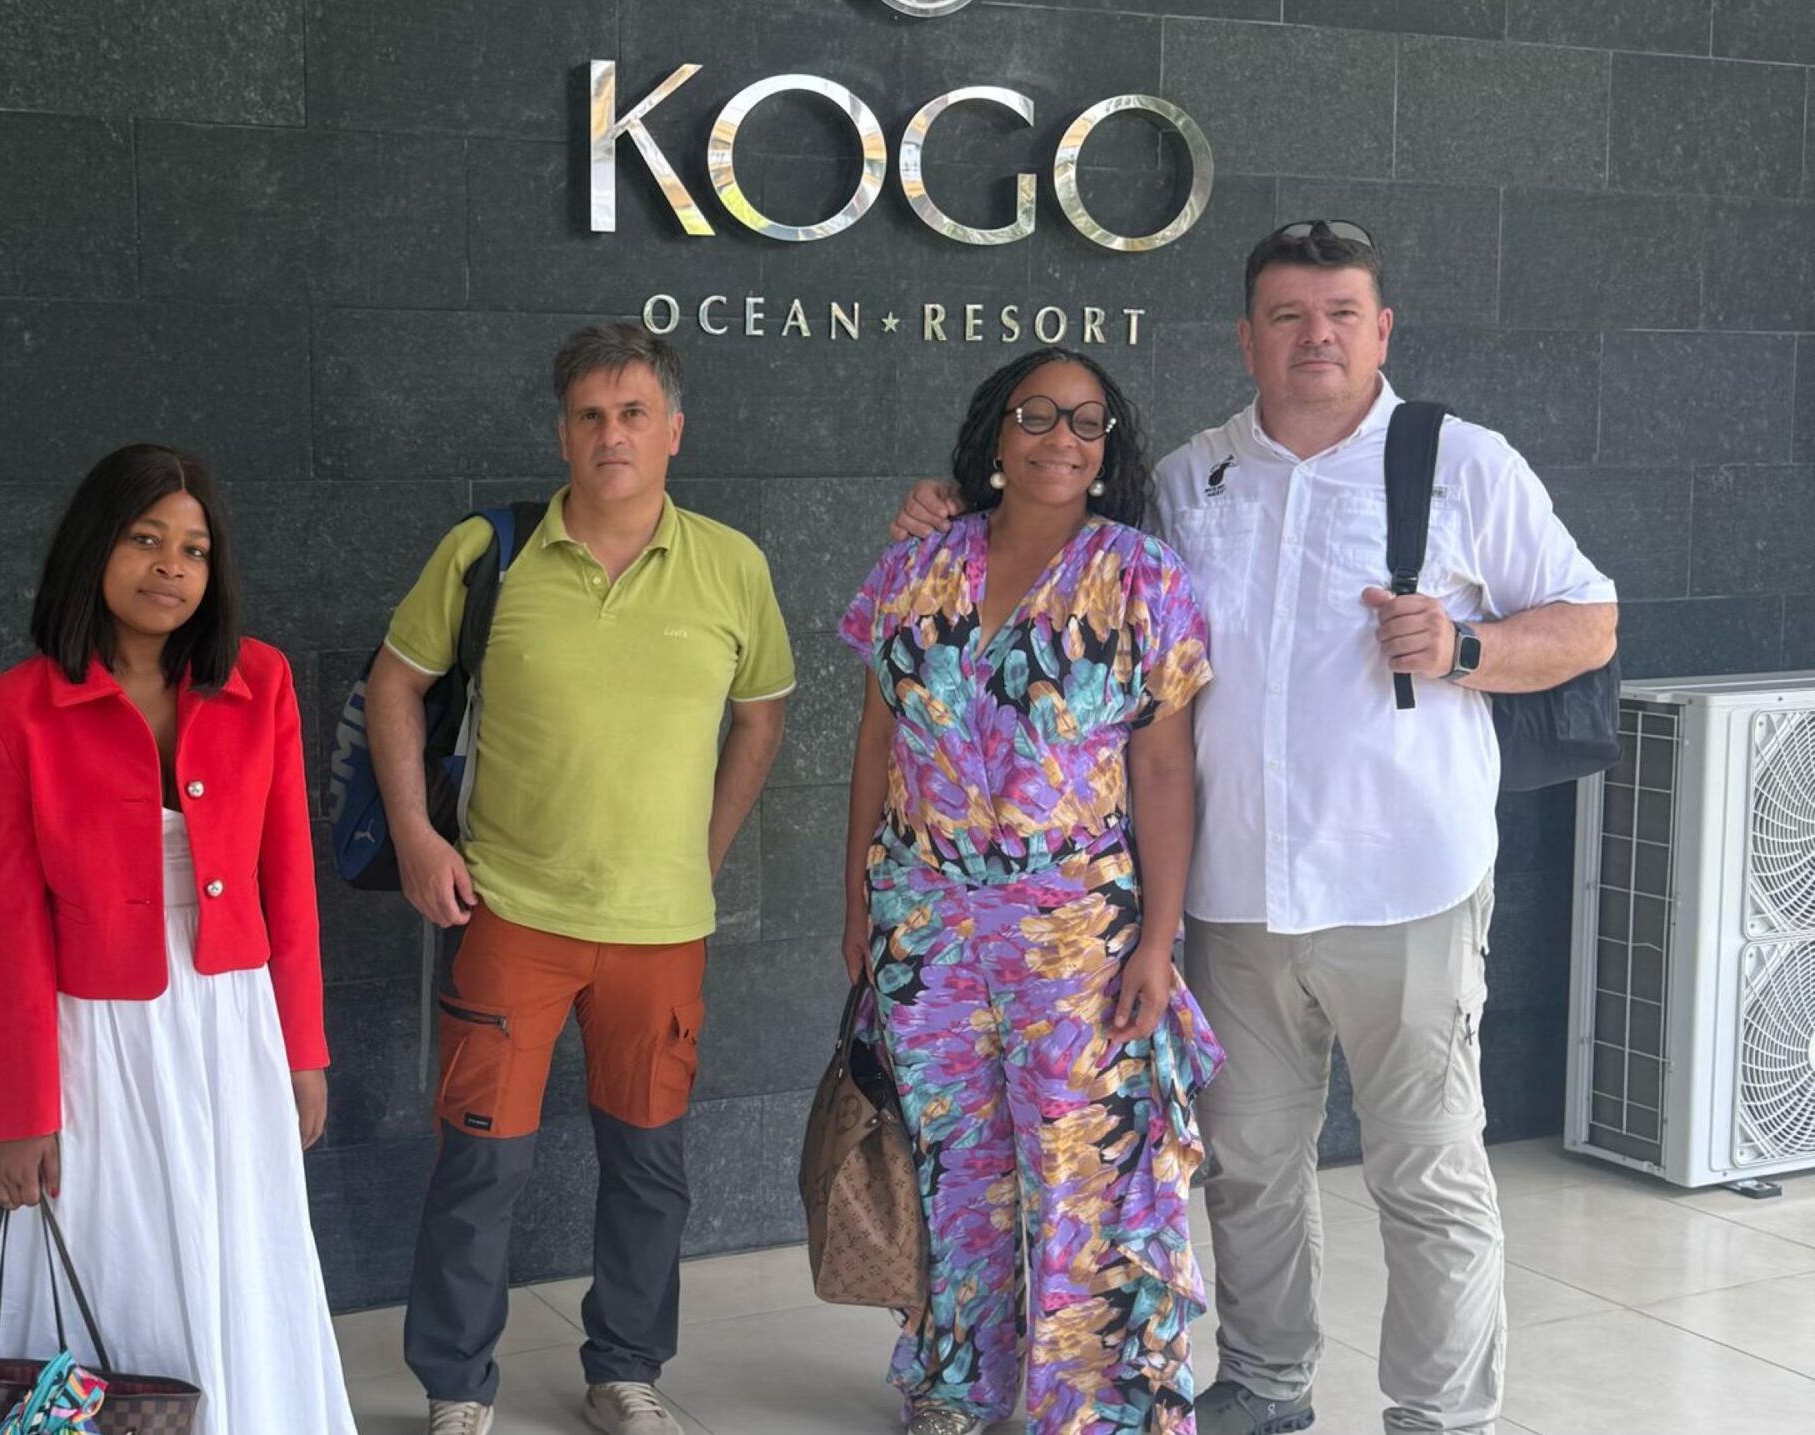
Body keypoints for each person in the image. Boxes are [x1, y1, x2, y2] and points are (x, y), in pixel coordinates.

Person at [893, 222, 1619, 1435]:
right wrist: (952, 512)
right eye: (1287, 315)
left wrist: (1466, 647)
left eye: (1339, 313)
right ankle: (1269, 1383)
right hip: (1232, 896)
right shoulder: (1191, 479)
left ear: (1380, 330)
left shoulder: (1461, 462)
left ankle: (1440, 1416)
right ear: (1246, 337)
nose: (1314, 336)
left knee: (1426, 1172)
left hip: (1406, 886)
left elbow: (1589, 619)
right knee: (1246, 1167)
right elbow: (1065, 550)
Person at [373, 323, 794, 1435]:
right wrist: (416, 835)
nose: (613, 434)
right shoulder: (489, 551)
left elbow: (762, 718)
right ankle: (457, 1388)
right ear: (563, 433)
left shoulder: (732, 565)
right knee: (480, 1165)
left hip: (661, 928)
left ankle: (624, 1370)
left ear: (674, 430)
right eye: (592, 415)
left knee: (649, 1166)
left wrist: (703, 850)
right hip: (510, 912)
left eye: (634, 413)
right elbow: (394, 684)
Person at [0, 443, 354, 1435]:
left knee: (234, 1246)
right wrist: (22, 1108)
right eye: (145, 539)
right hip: (87, 1034)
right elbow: (2, 922)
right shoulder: (14, 709)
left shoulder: (261, 681)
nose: (172, 565)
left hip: (227, 1022)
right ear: (94, 548)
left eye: (194, 549)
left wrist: (302, 1050)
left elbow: (289, 882)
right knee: (107, 1253)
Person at [844, 348, 1220, 1435]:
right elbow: (876, 743)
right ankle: (956, 1385)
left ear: (1108, 449)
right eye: (1039, 415)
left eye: (1088, 422)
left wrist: (1159, 941)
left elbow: (1163, 770)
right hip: (924, 918)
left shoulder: (1143, 578)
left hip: (1076, 927)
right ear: (996, 436)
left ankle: (1096, 1408)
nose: (1063, 438)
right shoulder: (915, 567)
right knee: (953, 1161)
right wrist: (856, 905)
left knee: (1083, 1170)